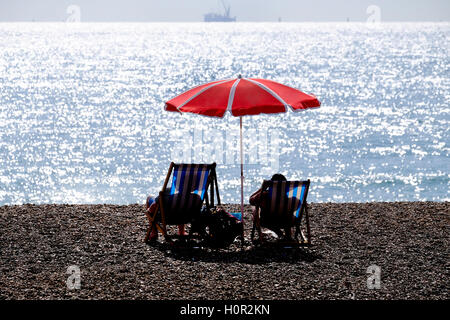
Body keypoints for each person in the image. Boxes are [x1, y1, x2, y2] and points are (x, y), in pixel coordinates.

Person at [249, 173, 292, 240]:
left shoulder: (265, 195)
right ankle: (287, 235)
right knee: (287, 213)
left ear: (271, 184)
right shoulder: (291, 199)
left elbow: (251, 200)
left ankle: (261, 234)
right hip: (287, 221)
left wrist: (262, 188)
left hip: (267, 221)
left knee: (255, 209)